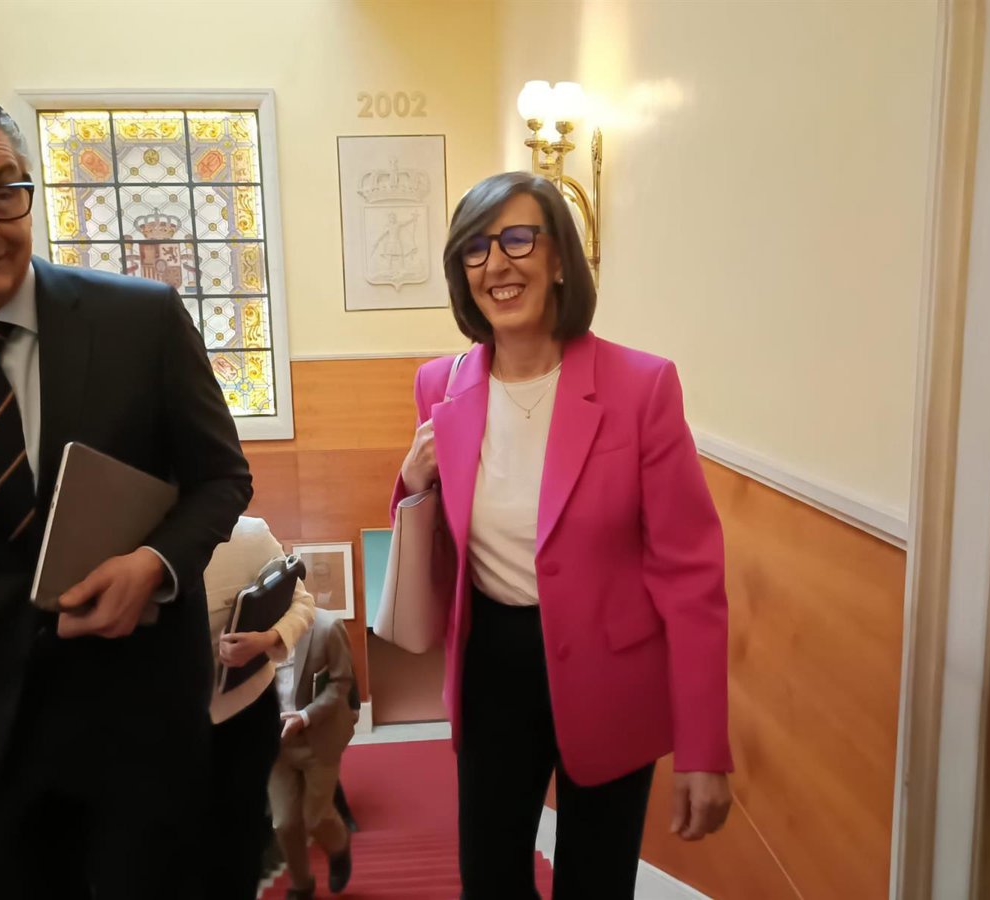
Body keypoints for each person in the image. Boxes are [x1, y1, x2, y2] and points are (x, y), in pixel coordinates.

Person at [0, 81, 252, 900]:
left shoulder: (141, 321)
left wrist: (154, 564)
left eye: (2, 192)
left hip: (139, 723)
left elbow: (221, 477)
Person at [391, 172, 734, 899]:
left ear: (558, 261)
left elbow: (690, 575)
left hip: (611, 673)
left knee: (596, 885)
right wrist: (411, 481)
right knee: (489, 878)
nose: (497, 263)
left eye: (519, 239)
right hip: (492, 664)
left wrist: (704, 745)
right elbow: (438, 537)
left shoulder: (641, 385)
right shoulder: (438, 386)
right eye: (476, 248)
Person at [204, 516, 316, 900]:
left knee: (239, 843)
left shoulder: (248, 533)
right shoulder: (127, 539)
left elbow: (302, 602)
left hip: (244, 711)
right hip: (159, 721)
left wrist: (266, 639)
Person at [268, 610, 356, 899]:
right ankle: (301, 884)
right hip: (276, 742)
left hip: (319, 737)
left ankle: (339, 846)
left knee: (316, 817)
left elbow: (342, 683)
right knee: (284, 823)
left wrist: (305, 717)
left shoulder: (327, 627)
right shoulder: (253, 628)